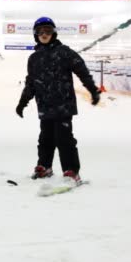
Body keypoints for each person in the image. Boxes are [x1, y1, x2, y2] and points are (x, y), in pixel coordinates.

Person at [16, 17, 101, 182]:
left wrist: (92, 90)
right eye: (40, 32)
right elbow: (31, 83)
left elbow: (81, 70)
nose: (44, 34)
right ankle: (44, 166)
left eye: (47, 31)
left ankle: (71, 171)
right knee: (45, 138)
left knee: (64, 139)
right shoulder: (34, 58)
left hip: (63, 105)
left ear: (53, 33)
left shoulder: (64, 52)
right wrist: (22, 103)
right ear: (35, 35)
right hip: (45, 105)